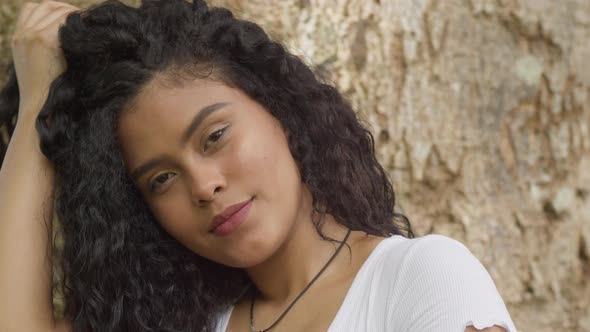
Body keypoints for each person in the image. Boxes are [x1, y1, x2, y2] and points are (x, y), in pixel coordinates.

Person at [0, 0, 519, 331]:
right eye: (161, 179)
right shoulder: (189, 323)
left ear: (281, 110)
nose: (204, 186)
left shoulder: (418, 277)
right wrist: (34, 115)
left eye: (215, 136)